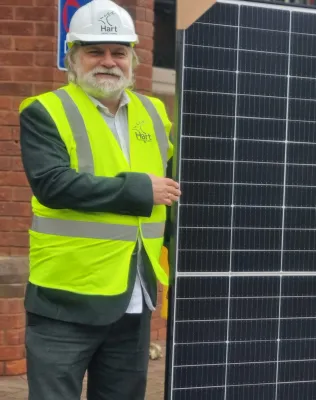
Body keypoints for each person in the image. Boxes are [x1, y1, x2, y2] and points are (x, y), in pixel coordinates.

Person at [18, 0, 181, 399]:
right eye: (95, 51)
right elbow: (53, 184)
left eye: (119, 52)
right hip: (66, 301)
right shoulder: (45, 111)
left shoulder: (155, 112)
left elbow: (175, 191)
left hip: (135, 293)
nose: (108, 61)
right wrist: (141, 190)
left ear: (133, 58)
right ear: (73, 58)